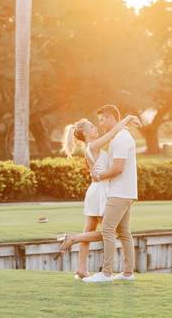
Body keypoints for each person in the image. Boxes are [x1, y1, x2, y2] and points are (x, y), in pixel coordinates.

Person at [58, 111, 140, 279]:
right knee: (108, 231)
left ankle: (81, 268)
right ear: (86, 133)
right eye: (92, 126)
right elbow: (112, 133)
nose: (96, 127)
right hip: (101, 190)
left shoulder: (92, 146)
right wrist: (128, 119)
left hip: (97, 188)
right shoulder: (93, 146)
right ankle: (73, 239)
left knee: (93, 229)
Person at [82, 104, 139, 283]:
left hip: (119, 192)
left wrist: (99, 175)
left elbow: (118, 168)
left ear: (110, 118)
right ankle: (128, 273)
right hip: (124, 191)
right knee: (123, 232)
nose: (99, 124)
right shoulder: (118, 136)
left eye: (101, 120)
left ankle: (106, 273)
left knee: (107, 229)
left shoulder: (121, 138)